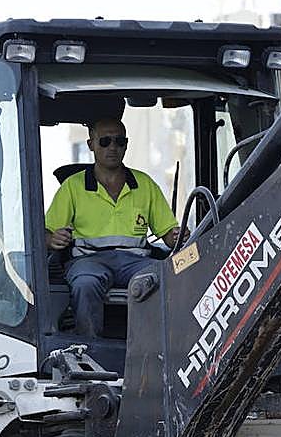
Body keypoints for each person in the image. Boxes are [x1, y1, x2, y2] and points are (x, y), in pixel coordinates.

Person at [45, 118, 180, 336]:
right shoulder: (73, 186)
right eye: (105, 141)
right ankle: (88, 348)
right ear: (91, 144)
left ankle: (156, 348)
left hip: (135, 263)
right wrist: (52, 239)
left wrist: (177, 238)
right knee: (85, 284)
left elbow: (169, 234)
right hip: (88, 261)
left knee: (167, 279)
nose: (113, 147)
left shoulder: (145, 184)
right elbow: (45, 234)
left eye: (119, 141)